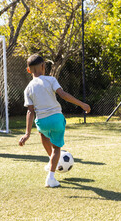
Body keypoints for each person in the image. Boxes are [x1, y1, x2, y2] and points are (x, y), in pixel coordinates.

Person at [19, 54, 91, 188]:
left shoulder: (28, 88)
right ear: (43, 67)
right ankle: (51, 178)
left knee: (42, 134)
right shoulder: (51, 80)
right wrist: (82, 104)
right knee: (57, 148)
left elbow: (30, 111)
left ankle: (52, 161)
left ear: (28, 70)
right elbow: (63, 95)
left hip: (42, 122)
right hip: (57, 119)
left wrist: (27, 133)